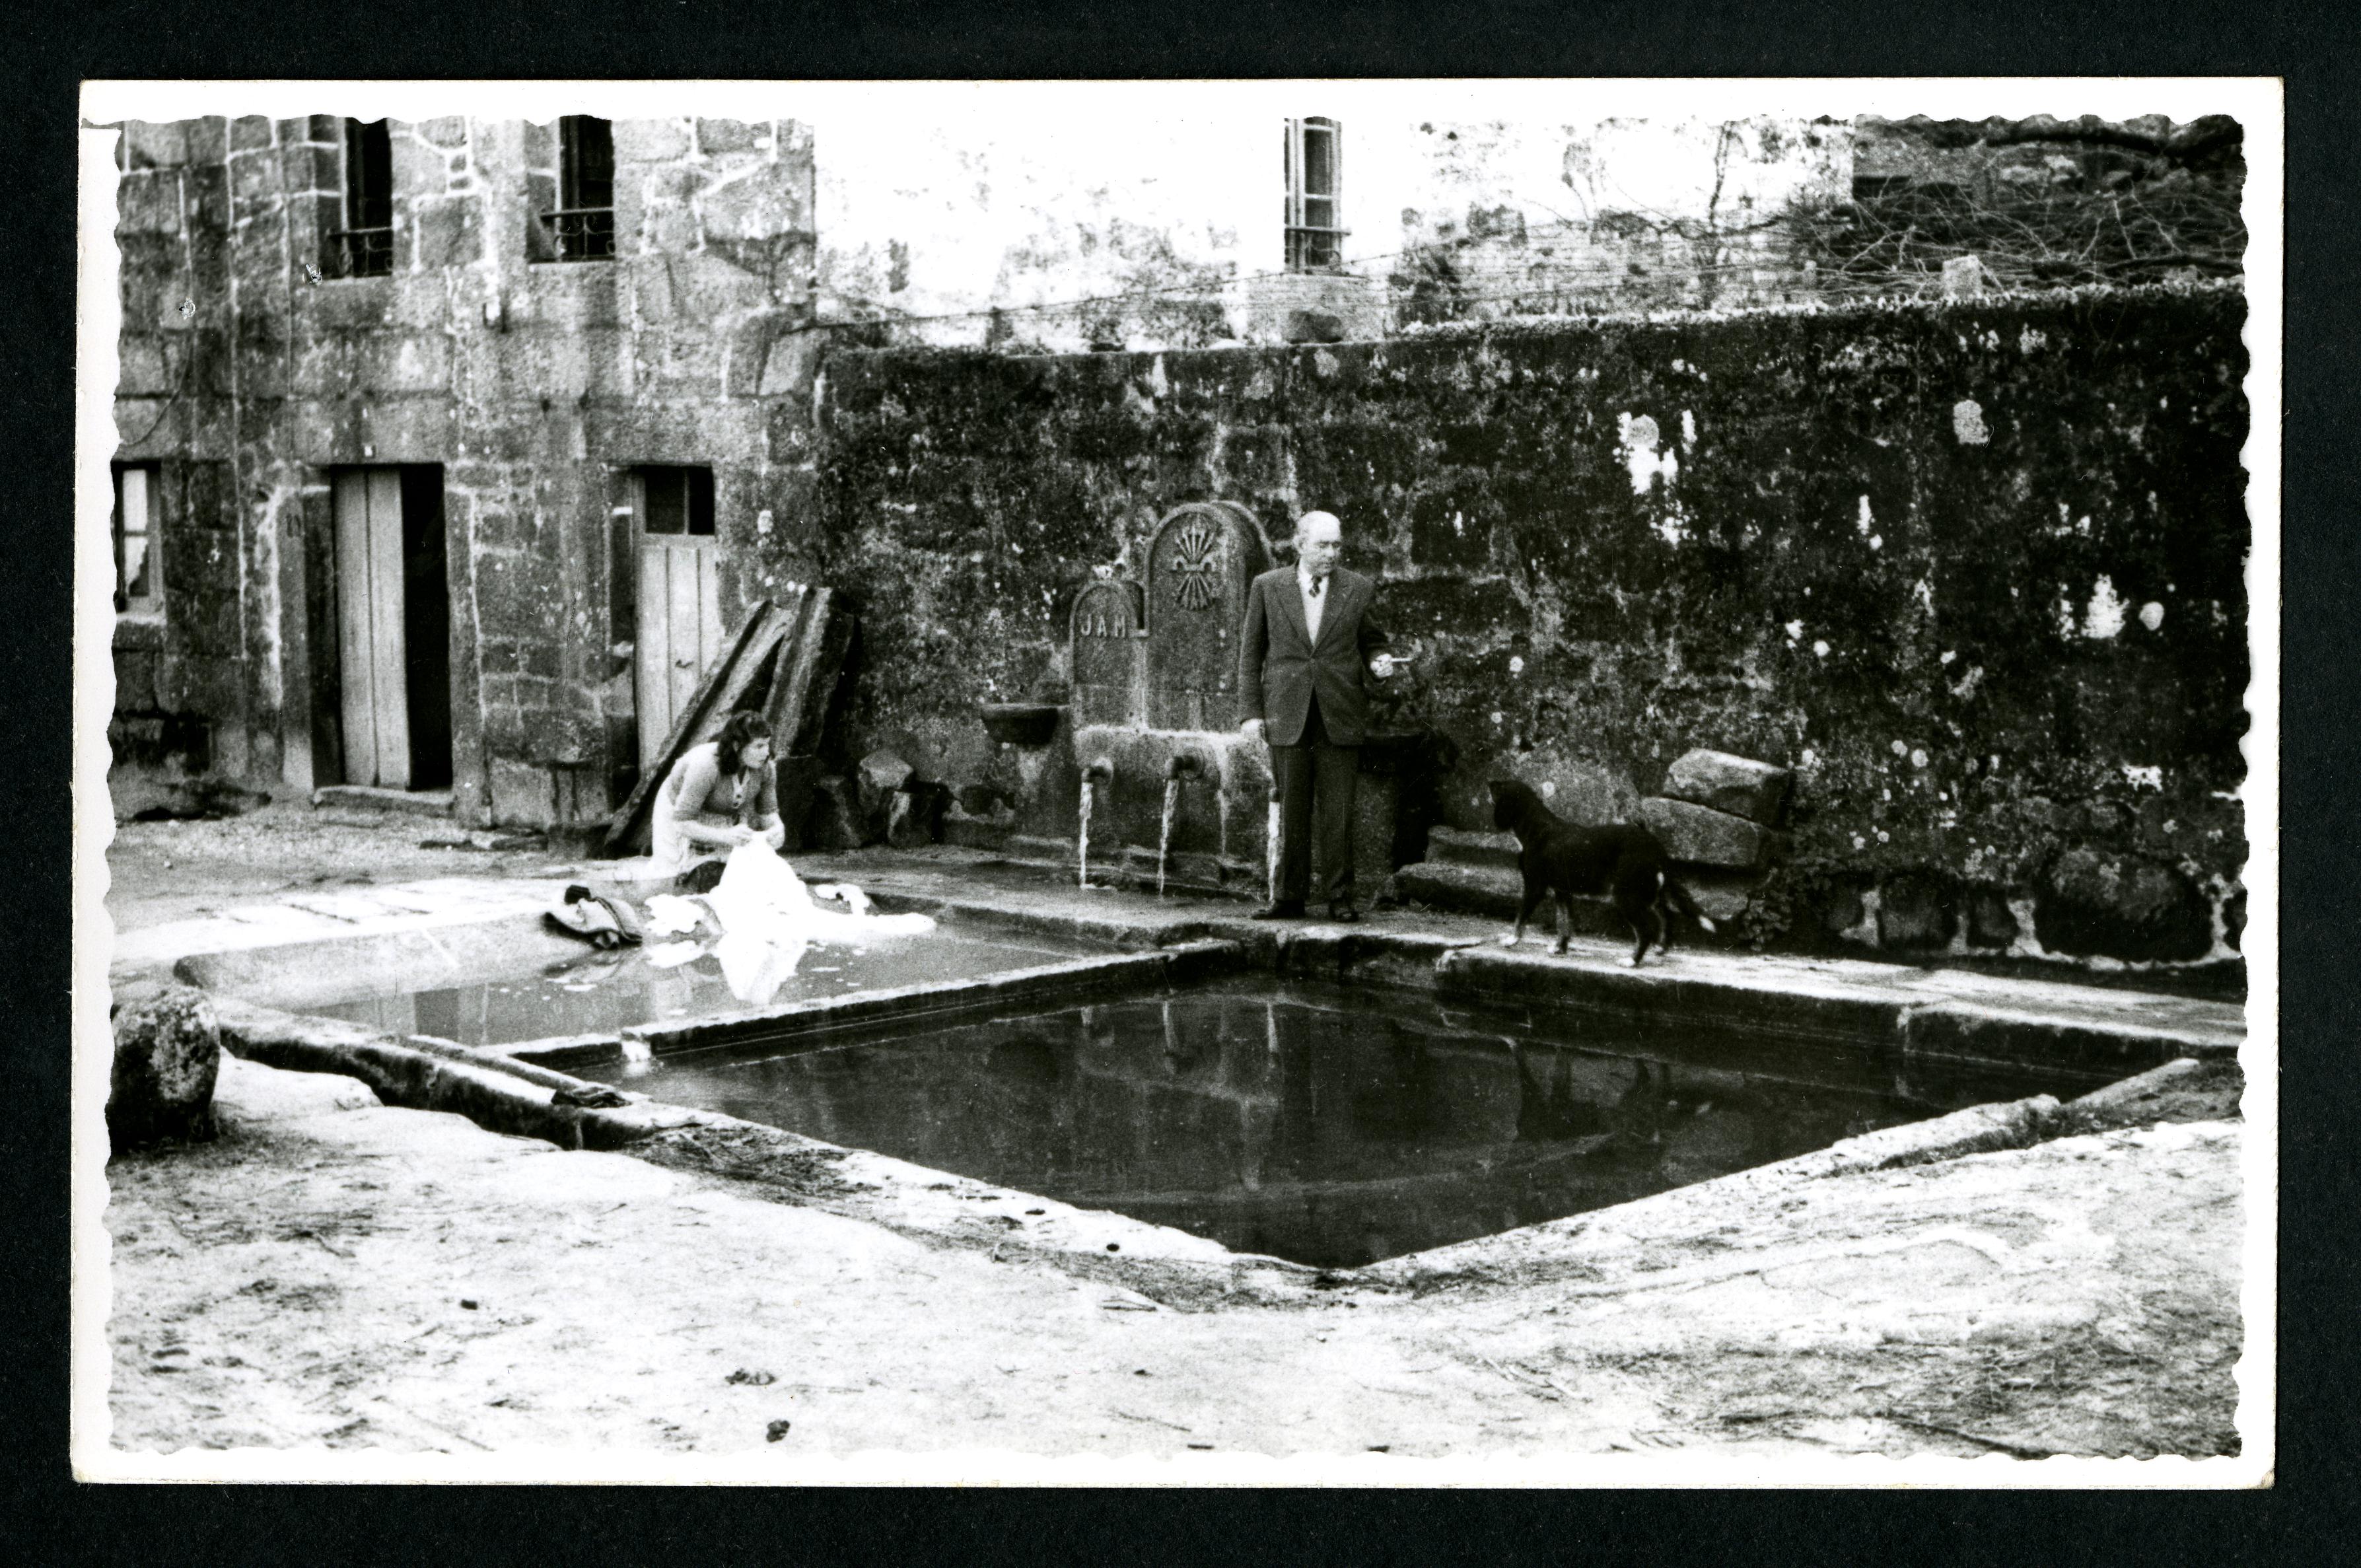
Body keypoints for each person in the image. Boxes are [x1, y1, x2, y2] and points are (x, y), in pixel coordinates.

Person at [1236, 509, 1400, 922]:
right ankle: (1290, 897)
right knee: (1292, 809)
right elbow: (1250, 653)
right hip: (1286, 713)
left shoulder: (1357, 589)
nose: (1331, 553)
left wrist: (1380, 662)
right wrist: (1250, 712)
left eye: (1337, 545)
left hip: (1339, 713)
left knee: (1339, 811)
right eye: (1323, 545)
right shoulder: (1267, 588)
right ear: (1300, 544)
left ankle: (1339, 898)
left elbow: (1373, 643)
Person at [649, 710, 787, 880]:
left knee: (731, 871)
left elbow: (768, 813)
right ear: (737, 746)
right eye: (759, 746)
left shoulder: (766, 767)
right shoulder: (705, 766)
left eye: (767, 744)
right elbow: (682, 823)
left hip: (724, 807)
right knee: (670, 874)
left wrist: (777, 830)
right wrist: (725, 836)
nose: (766, 753)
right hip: (678, 807)